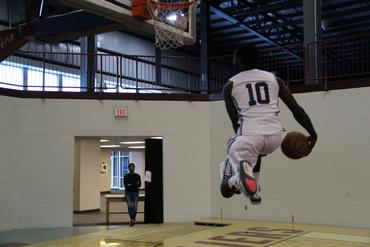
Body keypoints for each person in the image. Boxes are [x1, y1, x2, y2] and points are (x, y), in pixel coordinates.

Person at [220, 44, 317, 204]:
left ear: (239, 60)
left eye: (234, 55)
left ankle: (236, 180)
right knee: (257, 149)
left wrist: (246, 143)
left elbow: (235, 122)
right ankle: (254, 191)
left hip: (250, 136)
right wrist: (313, 134)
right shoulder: (275, 79)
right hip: (276, 136)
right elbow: (297, 110)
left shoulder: (229, 86)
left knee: (225, 189)